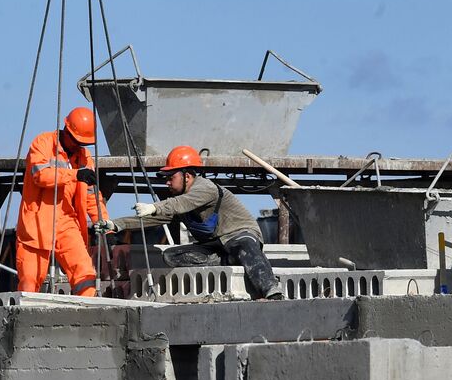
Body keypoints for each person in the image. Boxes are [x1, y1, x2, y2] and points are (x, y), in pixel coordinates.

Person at [117, 145, 280, 300]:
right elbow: (156, 218)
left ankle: (271, 291)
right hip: (215, 245)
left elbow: (179, 203)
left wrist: (153, 206)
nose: (167, 183)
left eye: (171, 177)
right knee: (172, 255)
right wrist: (117, 224)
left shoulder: (205, 188)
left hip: (238, 235)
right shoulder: (184, 201)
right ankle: (228, 259)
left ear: (187, 176)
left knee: (245, 247)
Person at [16, 106, 108, 297]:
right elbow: (40, 176)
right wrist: (75, 175)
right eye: (76, 141)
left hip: (66, 222)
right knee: (29, 283)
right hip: (37, 224)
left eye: (83, 143)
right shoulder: (42, 142)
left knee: (85, 275)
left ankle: (87, 315)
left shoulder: (84, 157)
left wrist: (105, 223)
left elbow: (91, 194)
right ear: (66, 131)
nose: (78, 146)